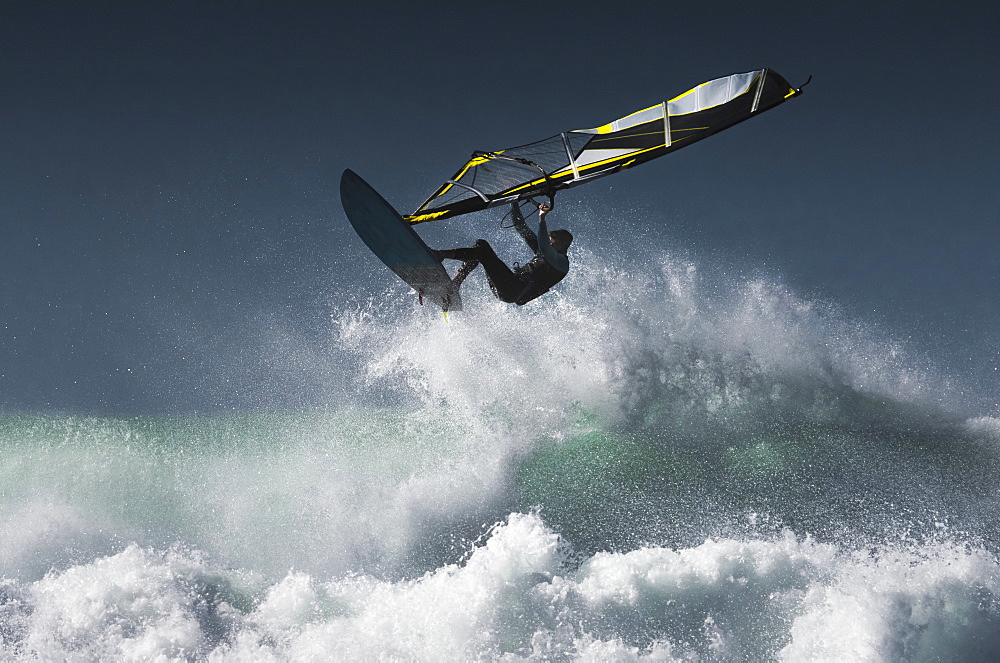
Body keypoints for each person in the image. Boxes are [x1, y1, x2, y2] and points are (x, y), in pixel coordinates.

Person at [434, 202, 572, 305]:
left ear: (563, 244)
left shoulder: (562, 263)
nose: (550, 244)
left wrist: (542, 218)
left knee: (482, 253)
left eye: (552, 242)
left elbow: (545, 247)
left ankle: (440, 254)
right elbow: (520, 227)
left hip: (513, 290)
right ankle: (456, 283)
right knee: (480, 245)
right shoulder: (544, 251)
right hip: (506, 285)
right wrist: (514, 201)